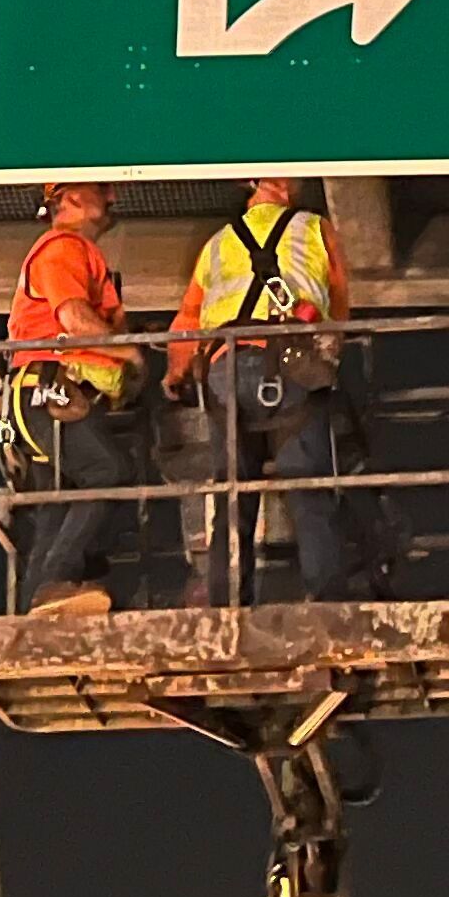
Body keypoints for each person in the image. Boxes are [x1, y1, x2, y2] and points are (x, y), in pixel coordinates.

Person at [167, 178, 352, 602]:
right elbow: (338, 305)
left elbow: (187, 320)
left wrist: (176, 372)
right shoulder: (314, 228)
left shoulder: (216, 244)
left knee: (232, 496)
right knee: (308, 491)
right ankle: (327, 604)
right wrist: (328, 361)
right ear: (285, 185)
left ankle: (226, 604)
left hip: (224, 367)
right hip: (291, 363)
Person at [0, 181, 147, 615]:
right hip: (50, 389)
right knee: (108, 470)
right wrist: (132, 352)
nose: (113, 197)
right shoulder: (63, 247)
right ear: (72, 199)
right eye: (102, 190)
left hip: (43, 394)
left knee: (55, 506)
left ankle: (37, 609)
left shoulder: (75, 253)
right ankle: (52, 583)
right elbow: (74, 318)